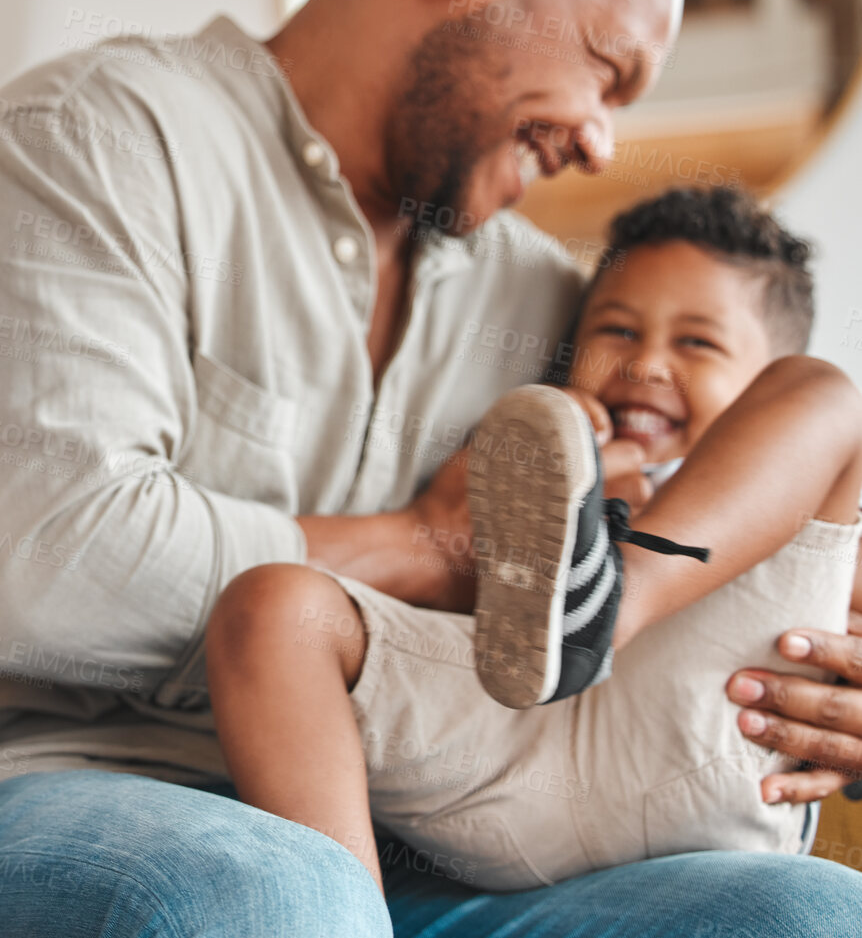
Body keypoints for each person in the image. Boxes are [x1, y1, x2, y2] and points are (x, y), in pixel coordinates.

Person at [0, 0, 862, 938]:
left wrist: (822, 668)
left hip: (415, 823)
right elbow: (40, 576)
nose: (601, 139)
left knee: (810, 911)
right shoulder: (94, 144)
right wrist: (426, 545)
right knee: (276, 889)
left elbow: (693, 508)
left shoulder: (541, 296)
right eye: (605, 67)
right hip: (47, 786)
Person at [206, 187, 862, 890]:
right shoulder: (533, 466)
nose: (644, 365)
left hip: (711, 744)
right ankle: (338, 912)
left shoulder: (806, 494)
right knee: (270, 606)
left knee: (826, 392)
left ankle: (606, 602)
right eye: (616, 331)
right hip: (512, 764)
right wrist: (545, 483)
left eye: (696, 341)